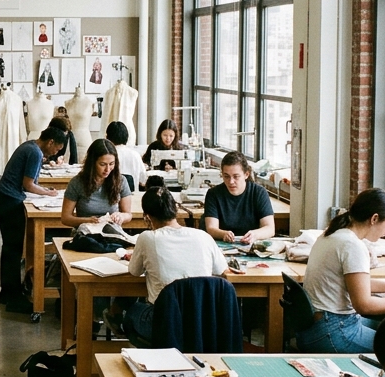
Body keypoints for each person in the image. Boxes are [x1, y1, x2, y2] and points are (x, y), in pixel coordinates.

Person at [297, 188, 385, 354]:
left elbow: (355, 283)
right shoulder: (352, 245)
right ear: (374, 219)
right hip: (333, 331)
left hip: (318, 326)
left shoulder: (332, 234)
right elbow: (364, 306)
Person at [114, 186, 229, 337]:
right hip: (202, 323)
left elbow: (134, 271)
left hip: (165, 323)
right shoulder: (203, 236)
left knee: (132, 311)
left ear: (147, 216)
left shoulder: (147, 238)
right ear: (175, 209)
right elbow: (222, 270)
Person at [0, 127, 68, 314]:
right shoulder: (35, 152)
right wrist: (48, 193)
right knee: (13, 249)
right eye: (57, 149)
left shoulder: (30, 146)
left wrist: (44, 190)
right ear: (50, 142)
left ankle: (7, 292)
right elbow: (28, 185)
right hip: (9, 200)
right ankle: (13, 297)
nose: (55, 153)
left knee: (10, 249)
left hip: (4, 197)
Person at [202, 151, 277, 244]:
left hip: (251, 244)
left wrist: (255, 234)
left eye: (236, 176)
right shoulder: (213, 194)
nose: (231, 181)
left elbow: (270, 229)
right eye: (226, 176)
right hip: (222, 245)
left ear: (246, 174)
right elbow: (211, 228)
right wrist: (223, 234)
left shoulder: (259, 193)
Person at [60, 139, 133, 229]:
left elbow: (128, 214)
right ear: (92, 163)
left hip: (112, 232)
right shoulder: (77, 182)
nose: (107, 169)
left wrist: (121, 216)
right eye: (102, 164)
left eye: (111, 164)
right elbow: (65, 218)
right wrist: (87, 221)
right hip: (86, 232)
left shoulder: (121, 181)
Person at [104, 122, 146, 191]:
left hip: (110, 194)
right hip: (132, 195)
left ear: (107, 137)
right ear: (127, 137)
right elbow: (143, 180)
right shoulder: (136, 155)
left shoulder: (106, 155)